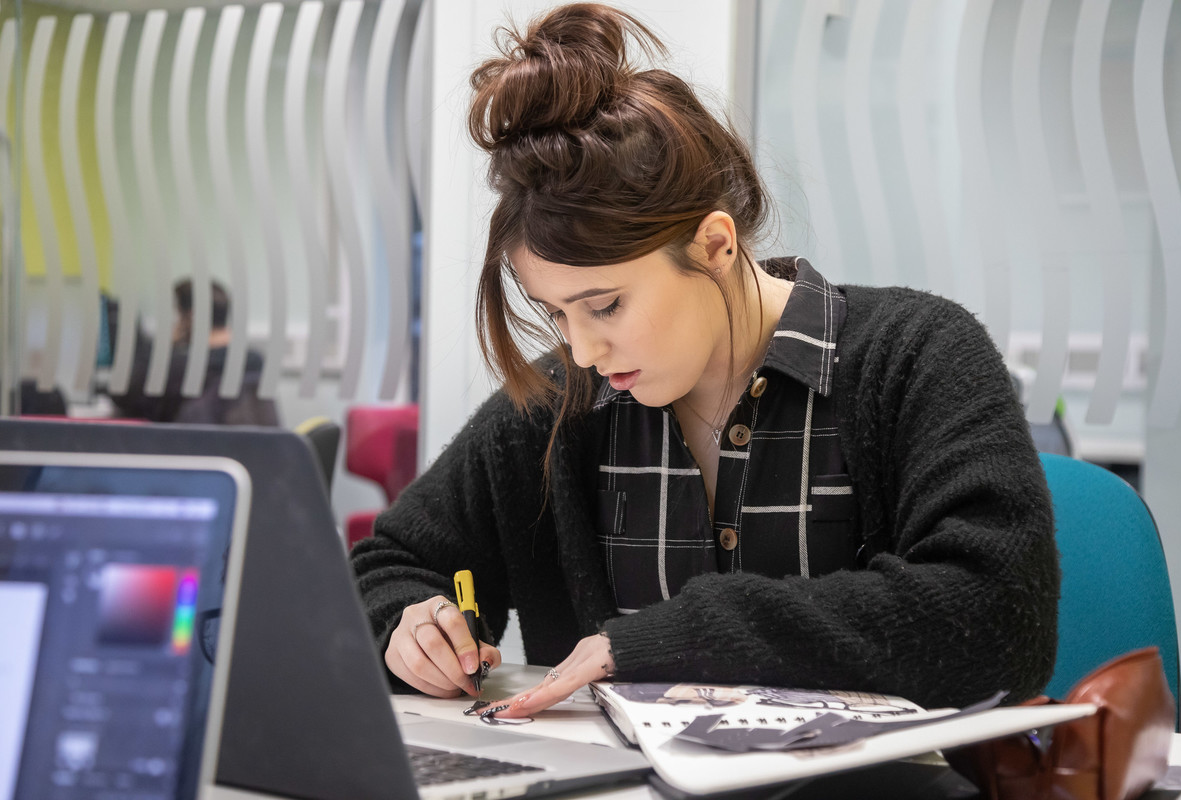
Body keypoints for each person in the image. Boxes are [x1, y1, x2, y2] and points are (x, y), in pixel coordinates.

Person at [351, 3, 1058, 720]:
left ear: (716, 245)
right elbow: (385, 566)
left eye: (607, 305)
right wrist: (410, 622)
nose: (585, 350)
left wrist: (674, 639)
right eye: (557, 312)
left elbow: (998, 617)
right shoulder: (563, 404)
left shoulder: (916, 357)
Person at [108, 279, 278, 426]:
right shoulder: (255, 361)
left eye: (178, 316)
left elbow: (123, 396)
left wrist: (171, 346)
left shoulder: (180, 367)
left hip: (188, 455)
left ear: (192, 317)